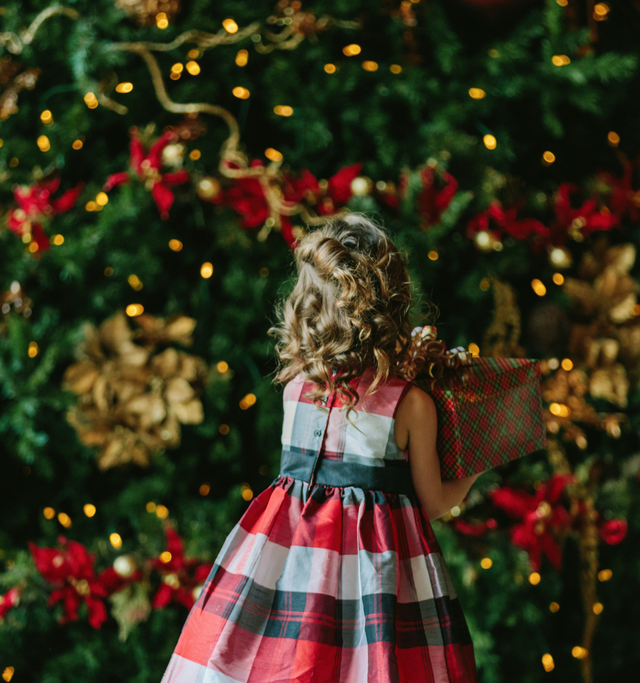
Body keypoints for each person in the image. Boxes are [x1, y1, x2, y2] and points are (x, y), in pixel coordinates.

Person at [160, 214, 480, 682]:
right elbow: (432, 502)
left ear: (308, 303)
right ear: (393, 302)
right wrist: (475, 466)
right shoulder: (409, 405)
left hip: (290, 561)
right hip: (376, 583)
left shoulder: (296, 388)